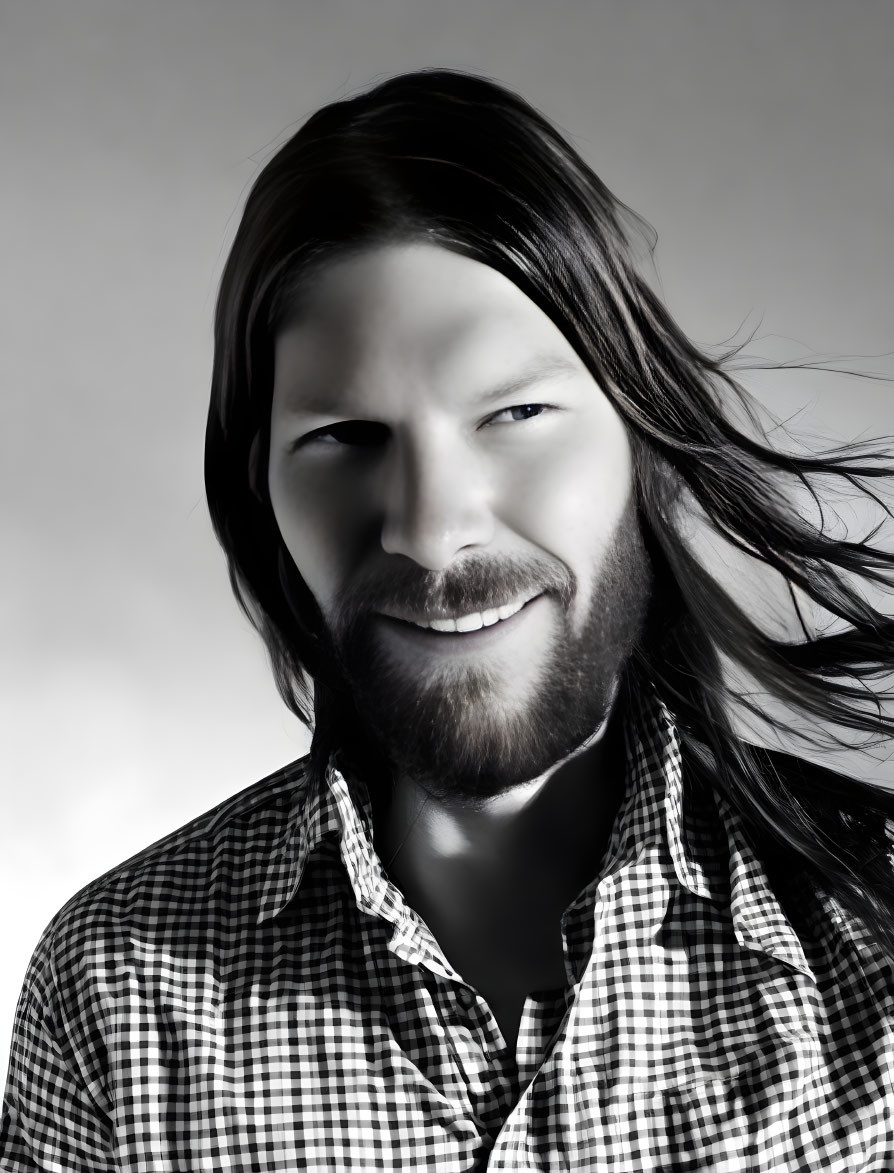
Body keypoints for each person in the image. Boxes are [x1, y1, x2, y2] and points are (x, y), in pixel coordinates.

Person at [3, 68, 894, 1172]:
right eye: (345, 438)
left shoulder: (877, 946)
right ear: (262, 498)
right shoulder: (118, 998)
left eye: (515, 413)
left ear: (640, 443)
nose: (430, 530)